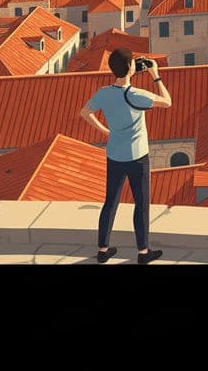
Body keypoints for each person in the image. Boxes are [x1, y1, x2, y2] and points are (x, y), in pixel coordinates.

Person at [79, 48, 171, 264]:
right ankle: (143, 252)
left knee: (110, 202)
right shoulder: (137, 95)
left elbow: (84, 113)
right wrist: (155, 75)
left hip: (114, 155)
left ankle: (103, 250)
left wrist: (105, 131)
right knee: (141, 204)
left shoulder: (103, 93)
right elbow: (167, 102)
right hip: (138, 157)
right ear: (131, 67)